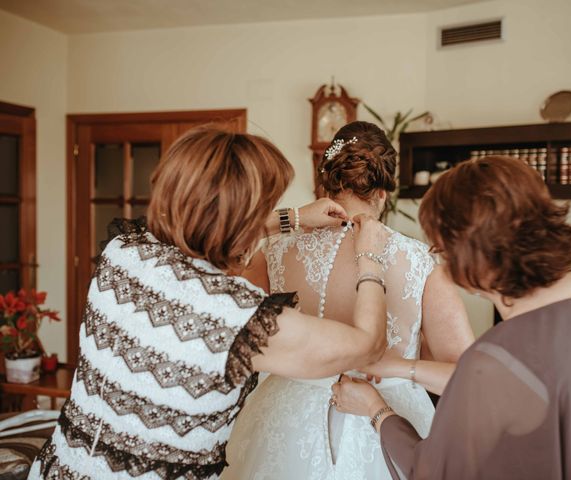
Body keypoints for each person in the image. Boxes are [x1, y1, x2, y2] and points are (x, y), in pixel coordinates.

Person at [28, 126, 391, 479]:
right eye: (265, 206)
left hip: (59, 469)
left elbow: (194, 226)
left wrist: (293, 218)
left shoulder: (124, 252)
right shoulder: (238, 318)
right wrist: (370, 258)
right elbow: (368, 345)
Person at [333, 155, 571, 480]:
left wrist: (374, 409)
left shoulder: (499, 356)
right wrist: (399, 368)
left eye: (440, 249)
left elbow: (432, 472)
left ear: (470, 255)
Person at [223, 121, 474, 480]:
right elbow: (467, 379)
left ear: (324, 185)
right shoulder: (420, 262)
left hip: (283, 421)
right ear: (384, 194)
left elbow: (220, 297)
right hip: (385, 423)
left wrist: (289, 219)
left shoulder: (275, 250)